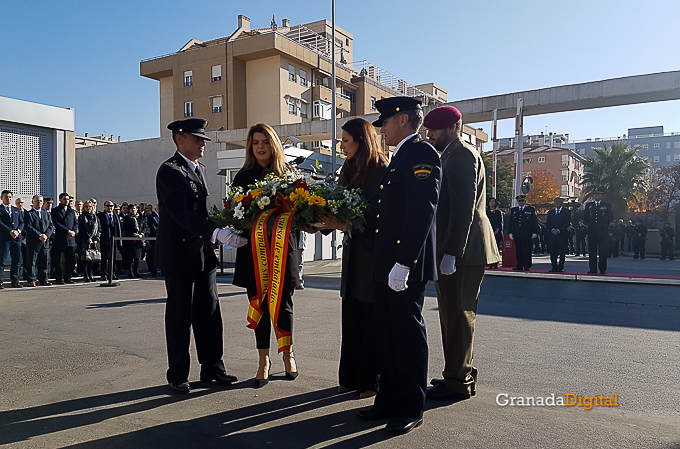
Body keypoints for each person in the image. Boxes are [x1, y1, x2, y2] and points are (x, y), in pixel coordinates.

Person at [354, 97, 441, 436]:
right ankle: (388, 400)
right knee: (386, 336)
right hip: (388, 263)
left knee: (406, 337)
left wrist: (404, 263)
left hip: (404, 265)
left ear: (402, 120)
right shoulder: (401, 156)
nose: (381, 129)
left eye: (385, 122)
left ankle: (410, 406)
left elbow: (422, 213)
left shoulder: (421, 154)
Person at [156, 118, 246, 394]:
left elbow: (200, 213)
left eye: (203, 139)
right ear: (179, 139)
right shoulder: (170, 171)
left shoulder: (198, 169)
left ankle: (212, 367)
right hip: (180, 253)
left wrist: (222, 224)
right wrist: (215, 233)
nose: (202, 143)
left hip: (202, 255)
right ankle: (178, 373)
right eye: (197, 139)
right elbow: (180, 213)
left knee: (209, 312)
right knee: (180, 314)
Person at [423, 105, 499, 403]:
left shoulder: (462, 154)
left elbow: (463, 207)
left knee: (459, 315)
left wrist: (453, 252)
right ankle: (454, 374)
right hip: (459, 247)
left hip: (466, 248)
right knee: (450, 315)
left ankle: (459, 380)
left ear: (452, 128)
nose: (429, 135)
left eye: (434, 130)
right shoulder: (451, 153)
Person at [315, 117, 388, 399]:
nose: (341, 146)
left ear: (362, 140)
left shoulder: (381, 169)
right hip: (354, 251)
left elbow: (375, 216)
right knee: (352, 314)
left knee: (370, 317)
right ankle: (350, 376)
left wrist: (339, 222)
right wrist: (318, 218)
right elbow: (339, 206)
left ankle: (370, 381)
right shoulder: (348, 168)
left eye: (346, 140)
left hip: (372, 251)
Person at [231, 123, 300, 389]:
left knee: (283, 304)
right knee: (258, 302)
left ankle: (288, 354)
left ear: (274, 145)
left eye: (265, 142)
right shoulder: (242, 177)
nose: (260, 147)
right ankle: (263, 360)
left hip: (284, 252)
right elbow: (235, 214)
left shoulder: (288, 175)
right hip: (254, 254)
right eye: (255, 142)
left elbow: (299, 212)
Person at [24, 195, 54, 287]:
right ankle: (32, 279)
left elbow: (51, 226)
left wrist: (46, 235)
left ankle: (43, 279)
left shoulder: (46, 213)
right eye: (37, 201)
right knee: (32, 262)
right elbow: (28, 227)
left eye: (41, 201)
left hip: (45, 242)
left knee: (44, 261)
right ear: (33, 202)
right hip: (34, 242)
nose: (39, 202)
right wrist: (39, 235)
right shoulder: (29, 214)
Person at [583, 188, 613, 274]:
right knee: (592, 250)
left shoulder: (606, 205)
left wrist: (604, 224)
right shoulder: (589, 205)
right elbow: (586, 217)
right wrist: (590, 224)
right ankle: (592, 269)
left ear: (602, 195)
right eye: (594, 194)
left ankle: (602, 269)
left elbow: (610, 217)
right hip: (592, 231)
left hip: (602, 231)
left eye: (598, 193)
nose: (595, 195)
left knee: (602, 250)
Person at [51, 193, 78, 284]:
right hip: (60, 238)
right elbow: (56, 224)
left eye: (67, 199)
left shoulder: (71, 211)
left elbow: (75, 223)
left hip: (70, 239)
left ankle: (68, 277)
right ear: (60, 200)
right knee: (58, 259)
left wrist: (73, 232)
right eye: (64, 199)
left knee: (70, 259)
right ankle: (59, 277)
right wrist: (67, 231)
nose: (66, 201)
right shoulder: (55, 211)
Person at [0, 190, 25, 288]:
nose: (8, 199)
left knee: (17, 260)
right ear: (2, 198)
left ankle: (15, 280)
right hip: (4, 238)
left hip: (16, 239)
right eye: (6, 197)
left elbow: (22, 222)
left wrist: (18, 231)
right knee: (2, 261)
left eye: (10, 197)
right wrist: (10, 231)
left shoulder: (16, 210)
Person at [508, 195, 539, 271]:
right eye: (519, 201)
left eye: (522, 201)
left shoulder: (530, 209)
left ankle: (527, 265)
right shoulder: (514, 210)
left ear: (525, 201)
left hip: (527, 233)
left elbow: (534, 221)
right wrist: (510, 232)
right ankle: (519, 265)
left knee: (527, 249)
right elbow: (510, 222)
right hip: (517, 233)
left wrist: (535, 232)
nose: (520, 202)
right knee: (518, 250)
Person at [77, 200, 101, 282]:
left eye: (90, 206)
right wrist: (88, 238)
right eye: (86, 207)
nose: (88, 208)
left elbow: (99, 229)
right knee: (85, 258)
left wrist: (96, 238)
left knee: (92, 258)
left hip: (94, 240)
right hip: (85, 240)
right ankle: (86, 275)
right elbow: (81, 229)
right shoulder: (81, 217)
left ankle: (91, 274)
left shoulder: (95, 217)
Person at [97, 200, 121, 281]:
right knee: (104, 258)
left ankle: (112, 273)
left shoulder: (115, 216)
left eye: (111, 206)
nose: (110, 208)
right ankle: (104, 274)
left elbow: (118, 229)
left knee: (113, 258)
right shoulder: (101, 216)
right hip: (104, 239)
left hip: (113, 240)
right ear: (104, 207)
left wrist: (119, 241)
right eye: (108, 206)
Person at [545, 196, 571, 272]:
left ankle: (560, 267)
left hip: (562, 234)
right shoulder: (550, 212)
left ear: (562, 203)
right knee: (553, 252)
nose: (556, 203)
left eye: (558, 202)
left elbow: (567, 223)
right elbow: (548, 223)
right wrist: (552, 229)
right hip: (552, 235)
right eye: (555, 202)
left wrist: (559, 230)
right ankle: (554, 267)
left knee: (562, 252)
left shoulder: (566, 212)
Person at [123, 204, 144, 278]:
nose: (133, 210)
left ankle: (136, 271)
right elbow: (126, 229)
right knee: (130, 257)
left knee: (137, 257)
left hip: (138, 240)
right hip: (130, 240)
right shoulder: (126, 218)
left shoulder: (140, 218)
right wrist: (133, 234)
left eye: (134, 208)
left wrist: (141, 234)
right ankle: (130, 272)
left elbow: (143, 227)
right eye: (131, 209)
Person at [486, 197, 503, 269]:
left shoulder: (498, 212)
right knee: (489, 248)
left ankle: (496, 263)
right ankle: (489, 263)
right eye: (490, 201)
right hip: (488, 232)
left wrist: (497, 230)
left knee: (496, 248)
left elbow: (500, 222)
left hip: (496, 232)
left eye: (493, 201)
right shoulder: (486, 212)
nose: (492, 203)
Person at [15, 198, 28, 281]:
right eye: (18, 202)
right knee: (18, 259)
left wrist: (25, 235)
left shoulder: (27, 213)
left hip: (27, 239)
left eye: (22, 202)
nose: (20, 204)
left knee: (27, 259)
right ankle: (16, 276)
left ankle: (26, 275)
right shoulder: (14, 212)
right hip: (18, 238)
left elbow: (28, 224)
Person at [144, 204, 160, 277]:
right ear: (156, 209)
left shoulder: (163, 217)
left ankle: (163, 271)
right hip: (154, 239)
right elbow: (152, 228)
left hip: (162, 239)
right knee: (153, 255)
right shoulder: (151, 217)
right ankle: (153, 271)